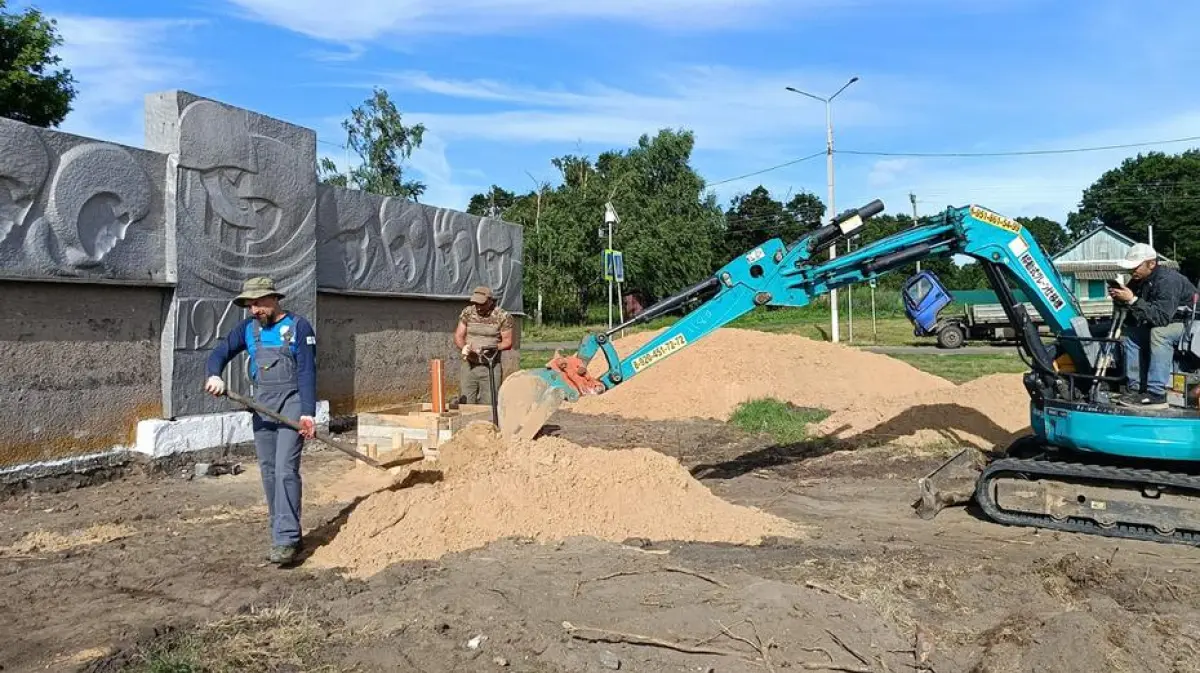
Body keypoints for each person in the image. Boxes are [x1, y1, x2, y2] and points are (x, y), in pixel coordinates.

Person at [203, 277, 318, 565]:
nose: (254, 310)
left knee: (285, 470)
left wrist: (307, 413)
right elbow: (219, 353)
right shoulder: (247, 330)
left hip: (292, 403)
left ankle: (286, 539)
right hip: (262, 405)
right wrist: (214, 374)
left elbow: (306, 372)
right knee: (268, 472)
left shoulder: (298, 327)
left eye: (258, 303)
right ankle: (284, 532)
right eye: (249, 305)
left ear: (273, 299)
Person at [1108, 243, 1197, 405]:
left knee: (1159, 333)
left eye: (1136, 266)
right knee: (1132, 334)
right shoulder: (1139, 279)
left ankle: (1156, 393)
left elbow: (1161, 318)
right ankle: (1134, 388)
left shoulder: (1168, 280)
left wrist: (1131, 299)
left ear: (1151, 263)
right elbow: (1135, 313)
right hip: (1171, 321)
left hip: (1191, 323)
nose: (1131, 271)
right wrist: (1120, 299)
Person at [453, 285, 514, 405]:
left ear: (490, 301)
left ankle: (487, 424)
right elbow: (459, 336)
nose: (479, 307)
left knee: (489, 404)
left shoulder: (502, 316)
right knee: (466, 402)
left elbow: (508, 342)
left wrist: (491, 348)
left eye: (482, 304)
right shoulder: (468, 312)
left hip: (490, 366)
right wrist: (464, 347)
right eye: (476, 304)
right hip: (470, 366)